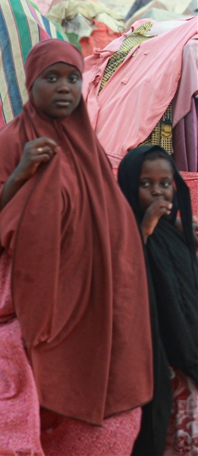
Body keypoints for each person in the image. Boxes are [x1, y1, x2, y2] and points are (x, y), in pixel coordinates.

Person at [0, 39, 153, 454]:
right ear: (31, 84)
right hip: (28, 299)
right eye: (52, 78)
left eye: (72, 78)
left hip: (90, 302)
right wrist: (21, 172)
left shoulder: (88, 148)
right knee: (30, 403)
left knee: (99, 409)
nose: (64, 87)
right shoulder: (10, 143)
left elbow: (111, 223)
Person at [117, 145, 198, 456]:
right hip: (151, 358)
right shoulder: (120, 231)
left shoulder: (176, 233)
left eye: (165, 183)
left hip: (183, 354)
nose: (157, 191)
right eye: (145, 183)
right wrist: (145, 229)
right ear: (128, 185)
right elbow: (122, 272)